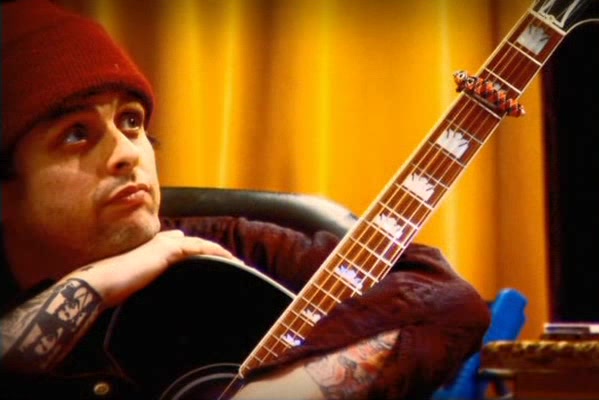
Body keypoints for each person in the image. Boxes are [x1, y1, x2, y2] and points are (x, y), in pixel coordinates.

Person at [0, 0, 490, 399]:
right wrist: (104, 279)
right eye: (76, 134)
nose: (127, 153)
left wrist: (284, 391)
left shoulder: (220, 248)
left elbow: (447, 301)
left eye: (132, 121)